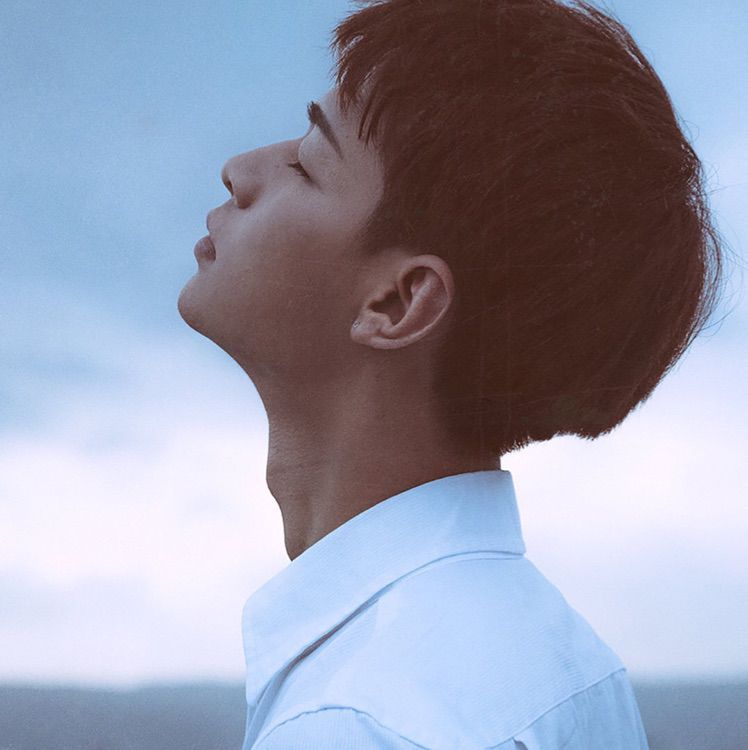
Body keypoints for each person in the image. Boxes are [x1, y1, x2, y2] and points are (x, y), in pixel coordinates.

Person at [178, 0, 725, 747]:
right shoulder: (568, 666)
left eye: (307, 164)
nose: (240, 170)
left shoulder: (358, 723)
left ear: (398, 302)